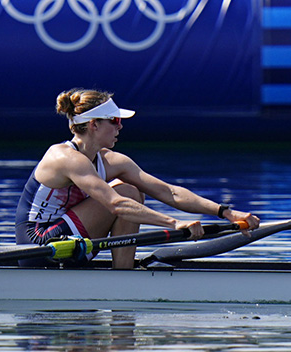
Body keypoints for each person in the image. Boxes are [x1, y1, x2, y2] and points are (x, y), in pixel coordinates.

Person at [15, 89, 260, 269]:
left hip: (69, 242)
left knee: (131, 189)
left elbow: (169, 192)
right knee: (126, 194)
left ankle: (124, 274)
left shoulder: (112, 161)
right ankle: (124, 275)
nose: (120, 127)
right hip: (39, 245)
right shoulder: (64, 157)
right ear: (93, 125)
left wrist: (225, 212)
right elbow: (115, 204)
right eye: (115, 121)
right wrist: (175, 224)